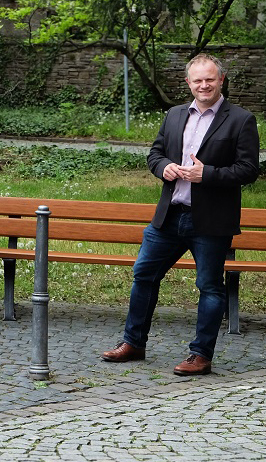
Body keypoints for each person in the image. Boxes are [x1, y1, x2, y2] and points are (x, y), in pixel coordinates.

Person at [102, 54, 259, 375]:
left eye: (210, 79)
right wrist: (164, 167)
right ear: (188, 83)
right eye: (197, 80)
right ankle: (133, 343)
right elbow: (155, 154)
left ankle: (200, 355)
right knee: (144, 276)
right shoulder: (174, 115)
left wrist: (209, 174)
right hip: (169, 216)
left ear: (221, 80)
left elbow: (249, 170)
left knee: (210, 287)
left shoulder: (241, 119)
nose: (204, 85)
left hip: (211, 221)